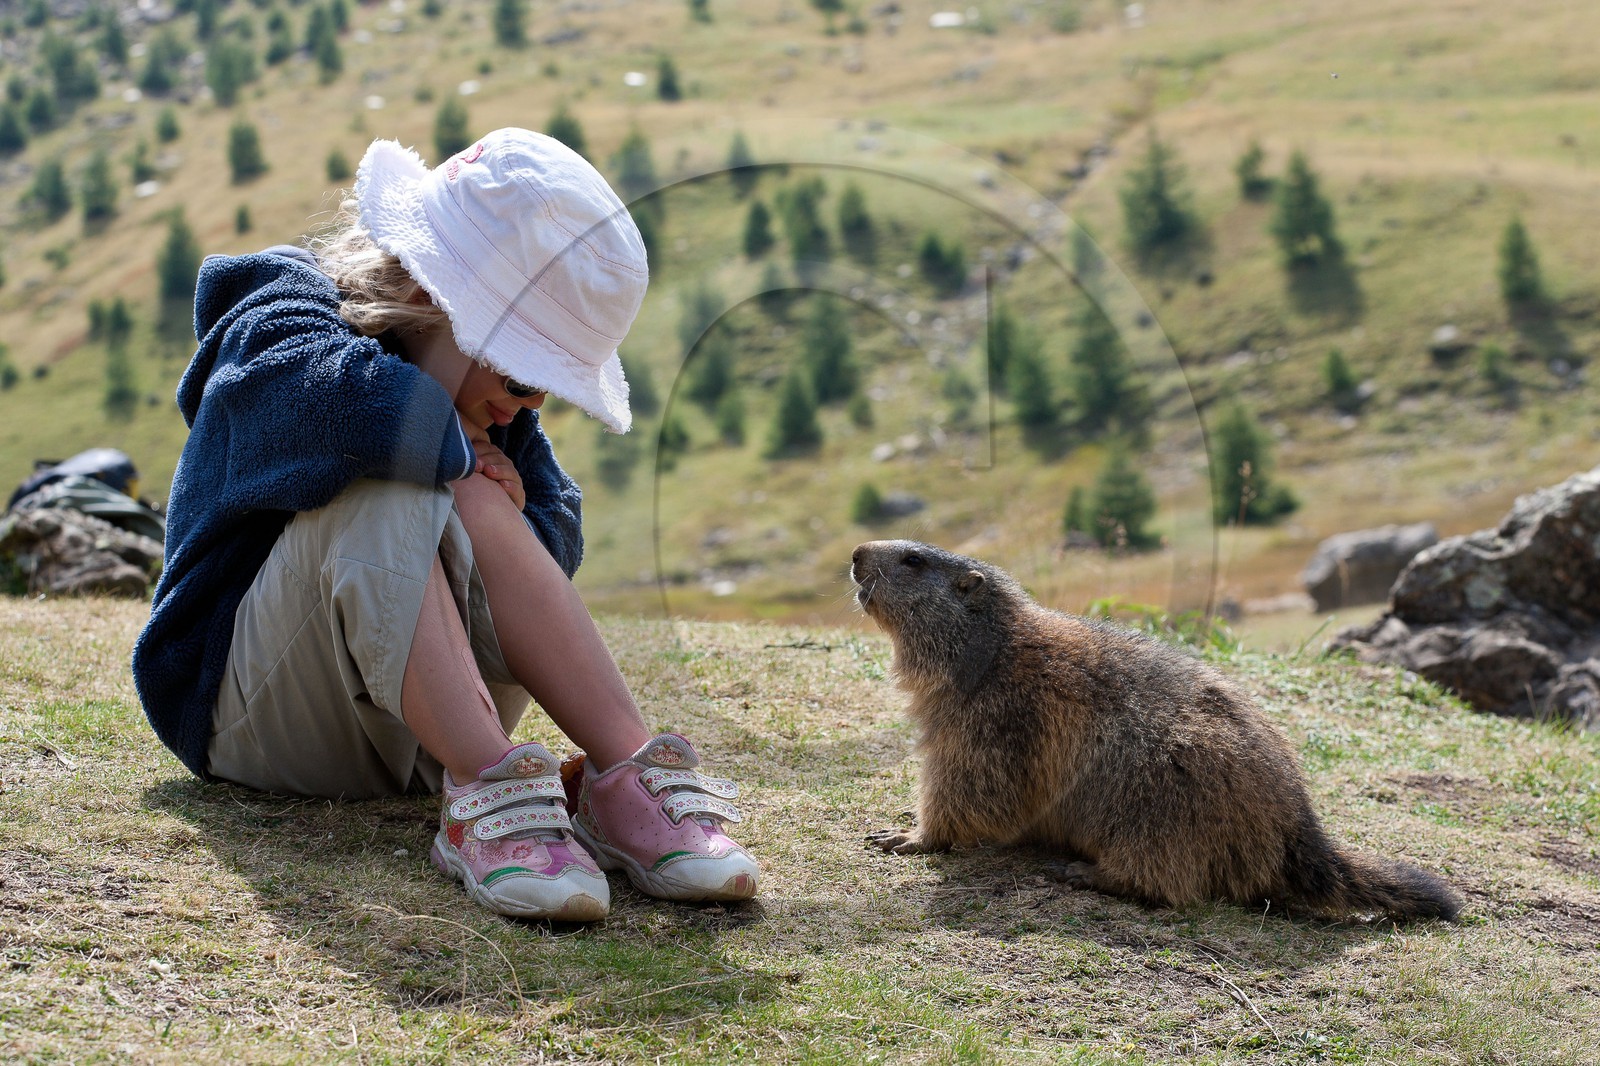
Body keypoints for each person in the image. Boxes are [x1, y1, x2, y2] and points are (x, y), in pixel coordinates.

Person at [131, 128, 758, 921]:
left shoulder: (482, 403)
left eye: (551, 387)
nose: (533, 404)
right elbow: (330, 401)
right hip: (244, 720)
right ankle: (489, 788)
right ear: (433, 296)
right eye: (528, 371)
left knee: (466, 490)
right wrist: (461, 466)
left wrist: (504, 493)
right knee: (402, 480)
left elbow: (558, 537)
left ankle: (623, 776)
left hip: (420, 746)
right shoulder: (279, 308)